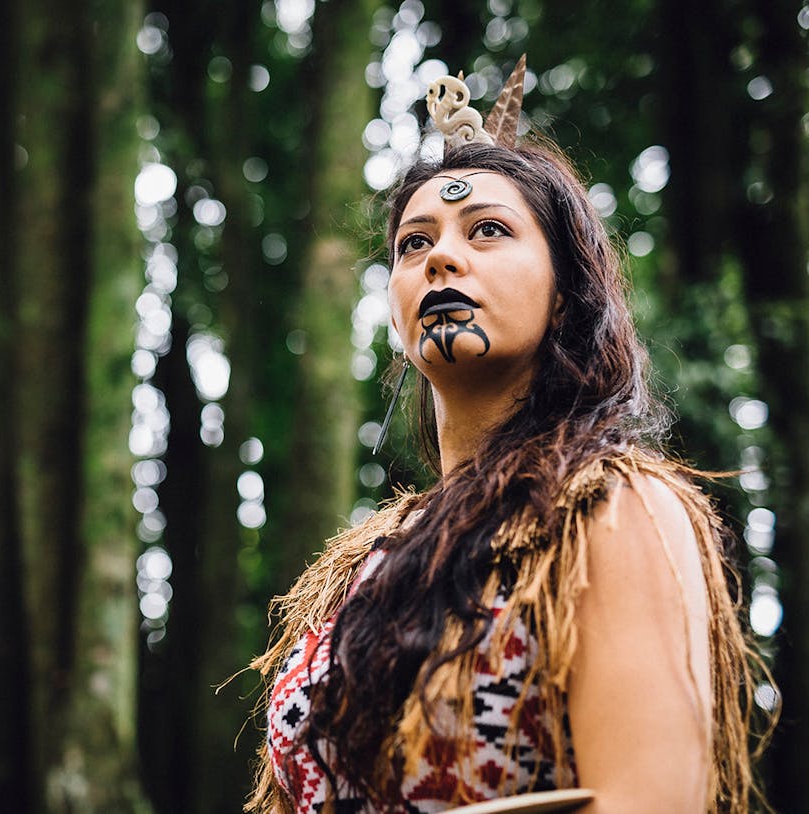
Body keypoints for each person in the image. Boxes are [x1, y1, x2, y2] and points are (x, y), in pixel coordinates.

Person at [248, 58, 769, 813]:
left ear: (566, 298)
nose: (441, 258)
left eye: (488, 230)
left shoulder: (615, 509)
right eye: (413, 244)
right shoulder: (360, 562)